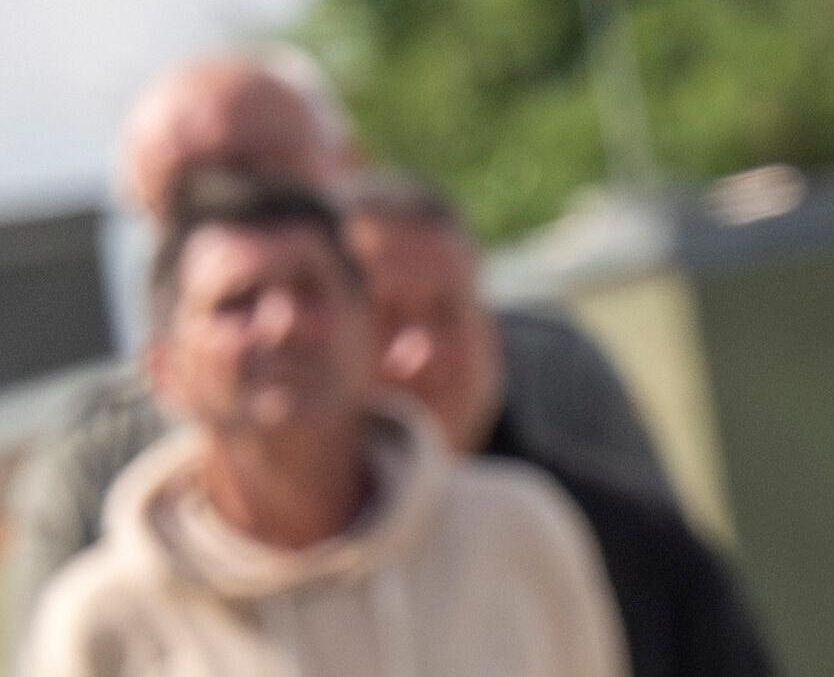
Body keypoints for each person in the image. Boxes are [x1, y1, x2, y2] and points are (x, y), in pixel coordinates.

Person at [4, 70, 656, 659]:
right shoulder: (97, 536)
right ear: (167, 362)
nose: (281, 323)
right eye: (236, 301)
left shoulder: (525, 498)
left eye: (260, 166)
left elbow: (666, 608)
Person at [342, 185, 763, 677]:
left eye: (446, 312)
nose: (422, 353)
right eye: (385, 319)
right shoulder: (285, 562)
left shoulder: (632, 545)